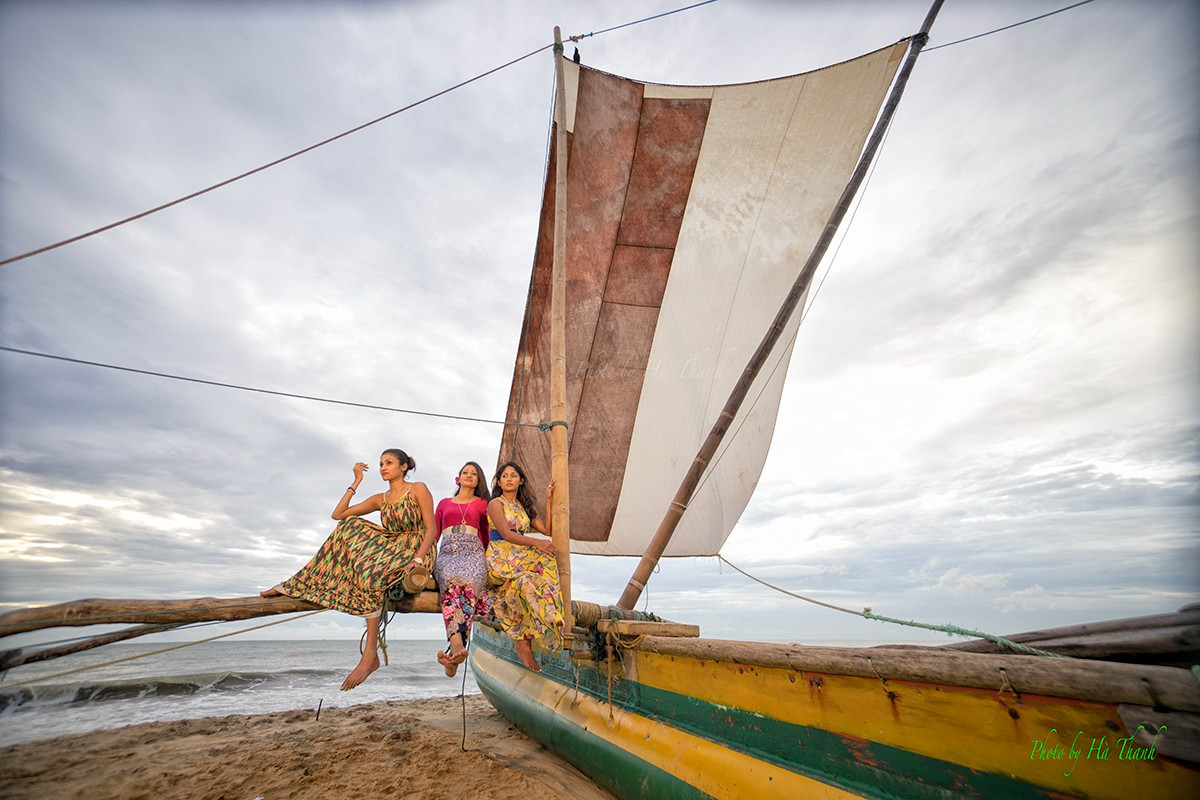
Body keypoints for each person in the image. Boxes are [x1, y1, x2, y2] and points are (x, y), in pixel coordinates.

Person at [260, 448, 436, 690]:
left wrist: (417, 559)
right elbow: (338, 514)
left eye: (389, 463)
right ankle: (296, 584)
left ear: (403, 466)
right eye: (381, 463)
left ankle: (369, 656)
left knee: (372, 575)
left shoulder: (418, 489)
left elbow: (431, 529)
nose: (383, 467)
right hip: (391, 548)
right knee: (349, 525)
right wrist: (356, 482)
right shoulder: (380, 499)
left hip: (418, 551)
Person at [485, 461, 562, 673]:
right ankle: (545, 621)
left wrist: (548, 499)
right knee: (544, 557)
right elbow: (507, 534)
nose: (509, 478)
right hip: (501, 555)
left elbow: (547, 529)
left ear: (521, 481)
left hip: (519, 556)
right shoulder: (495, 504)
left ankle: (543, 624)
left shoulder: (523, 508)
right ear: (499, 482)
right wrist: (536, 543)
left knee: (529, 581)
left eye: (513, 475)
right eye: (504, 476)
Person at [432, 461, 492, 677]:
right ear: (458, 478)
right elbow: (434, 533)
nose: (469, 475)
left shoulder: (484, 503)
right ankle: (456, 649)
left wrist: (488, 561)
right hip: (448, 553)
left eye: (474, 473)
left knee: (469, 583)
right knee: (450, 580)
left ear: (478, 480)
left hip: (474, 553)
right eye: (465, 472)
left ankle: (455, 651)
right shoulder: (444, 503)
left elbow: (486, 535)